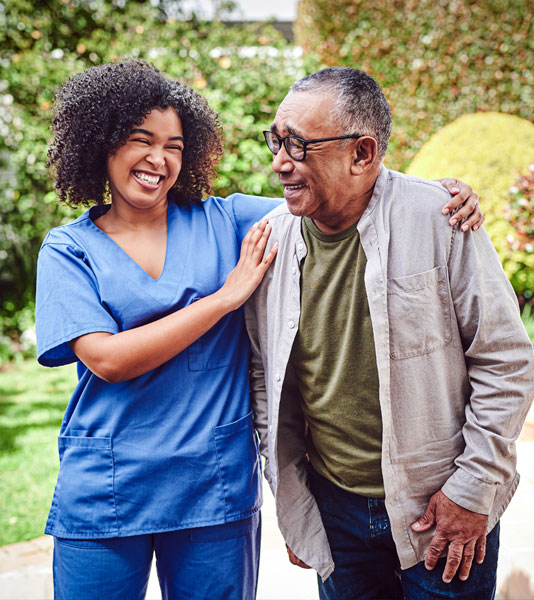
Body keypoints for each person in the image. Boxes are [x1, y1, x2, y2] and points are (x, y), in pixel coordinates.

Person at [36, 59, 481, 600]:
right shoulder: (68, 249)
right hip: (107, 492)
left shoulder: (231, 221)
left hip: (212, 490)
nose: (158, 159)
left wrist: (438, 196)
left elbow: (346, 190)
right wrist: (225, 299)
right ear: (101, 144)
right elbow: (106, 359)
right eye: (140, 140)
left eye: (174, 145)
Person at [245, 66, 534, 600]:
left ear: (363, 153)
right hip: (334, 513)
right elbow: (267, 378)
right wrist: (296, 506)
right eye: (277, 140)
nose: (280, 162)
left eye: (299, 145)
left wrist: (472, 490)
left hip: (442, 510)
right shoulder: (270, 241)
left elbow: (507, 361)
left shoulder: (440, 217)